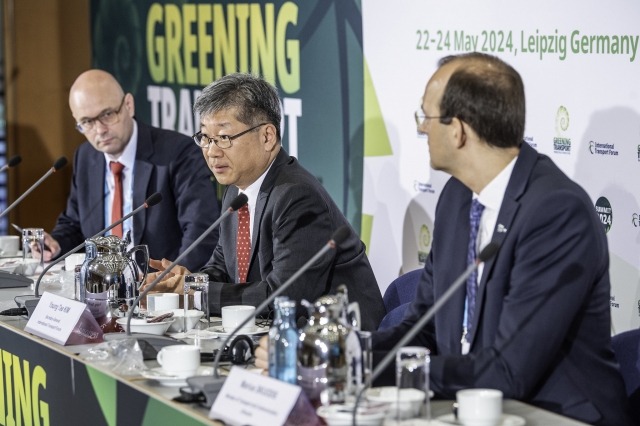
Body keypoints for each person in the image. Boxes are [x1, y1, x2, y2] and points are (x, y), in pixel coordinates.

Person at [257, 53, 631, 425]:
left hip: (555, 414)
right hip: (472, 406)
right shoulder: (457, 197)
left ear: (459, 129)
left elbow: (508, 373)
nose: (421, 129)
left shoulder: (557, 213)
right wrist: (333, 351)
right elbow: (422, 329)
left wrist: (360, 365)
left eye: (426, 116)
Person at [144, 73, 385, 331]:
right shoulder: (237, 192)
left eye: (224, 137)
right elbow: (222, 271)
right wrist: (187, 282)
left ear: (267, 136)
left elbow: (281, 299)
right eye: (205, 138)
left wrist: (194, 293)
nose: (212, 151)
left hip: (341, 347)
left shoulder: (297, 197)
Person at [45, 70, 218, 271]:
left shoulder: (177, 153)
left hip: (158, 290)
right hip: (101, 287)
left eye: (107, 114)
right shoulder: (85, 157)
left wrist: (172, 281)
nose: (100, 130)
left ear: (128, 105)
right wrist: (55, 243)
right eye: (87, 122)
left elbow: (201, 232)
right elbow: (74, 224)